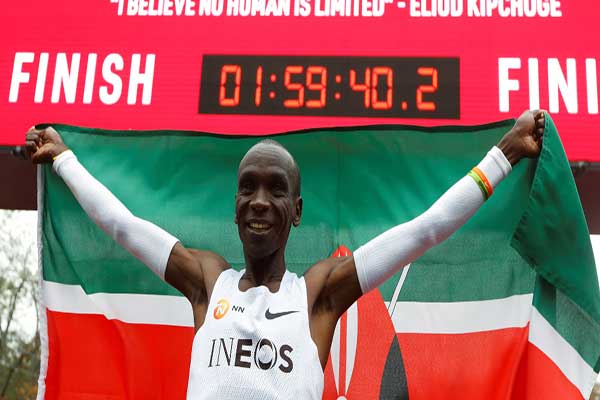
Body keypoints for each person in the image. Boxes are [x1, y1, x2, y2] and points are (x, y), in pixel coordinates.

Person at [26, 110, 545, 399]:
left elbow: (424, 230)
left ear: (296, 211)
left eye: (275, 189)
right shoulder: (208, 281)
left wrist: (504, 154)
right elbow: (122, 226)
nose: (259, 200)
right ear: (234, 208)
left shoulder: (318, 295)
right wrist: (65, 159)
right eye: (247, 188)